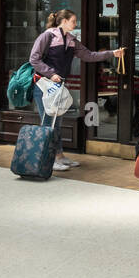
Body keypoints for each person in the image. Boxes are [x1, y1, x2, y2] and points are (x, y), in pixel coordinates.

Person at [28, 9, 124, 172]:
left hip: (56, 87)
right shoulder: (47, 36)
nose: (75, 23)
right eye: (73, 21)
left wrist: (113, 53)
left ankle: (59, 157)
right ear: (63, 21)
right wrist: (51, 74)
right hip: (43, 85)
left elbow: (89, 55)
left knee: (56, 123)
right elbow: (34, 59)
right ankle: (49, 160)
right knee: (47, 124)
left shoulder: (71, 40)